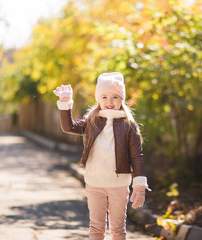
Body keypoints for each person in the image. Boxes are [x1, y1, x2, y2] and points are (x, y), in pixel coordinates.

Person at [53, 72, 149, 240]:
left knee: (118, 229)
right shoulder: (91, 121)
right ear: (98, 99)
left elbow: (137, 156)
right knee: (96, 228)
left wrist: (139, 185)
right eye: (104, 97)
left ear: (122, 99)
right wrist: (66, 103)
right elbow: (68, 127)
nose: (109, 102)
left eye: (115, 97)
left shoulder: (128, 125)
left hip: (119, 184)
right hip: (94, 183)